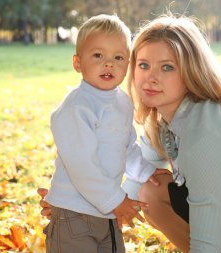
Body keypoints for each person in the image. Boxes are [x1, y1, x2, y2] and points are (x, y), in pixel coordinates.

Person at [40, 14, 221, 253]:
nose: (151, 77)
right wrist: (75, 205)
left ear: (190, 71)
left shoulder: (208, 131)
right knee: (153, 187)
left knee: (154, 195)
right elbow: (136, 180)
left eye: (167, 67)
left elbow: (208, 212)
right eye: (143, 65)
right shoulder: (167, 119)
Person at [43, 14, 164, 253]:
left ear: (127, 64)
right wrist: (116, 201)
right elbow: (81, 165)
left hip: (107, 212)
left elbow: (126, 147)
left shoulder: (122, 102)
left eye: (118, 57)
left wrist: (145, 170)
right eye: (98, 55)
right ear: (78, 63)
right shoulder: (77, 108)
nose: (109, 64)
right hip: (74, 212)